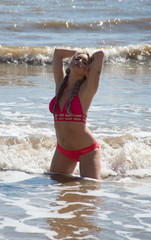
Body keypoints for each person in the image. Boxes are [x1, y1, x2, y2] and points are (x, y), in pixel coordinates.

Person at [49, 48, 105, 179]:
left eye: (84, 62)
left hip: (87, 151)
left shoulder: (87, 89)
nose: (79, 61)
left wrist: (86, 56)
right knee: (57, 190)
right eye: (77, 59)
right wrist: (78, 52)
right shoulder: (60, 85)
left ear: (87, 71)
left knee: (90, 190)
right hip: (63, 151)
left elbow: (100, 55)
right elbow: (58, 53)